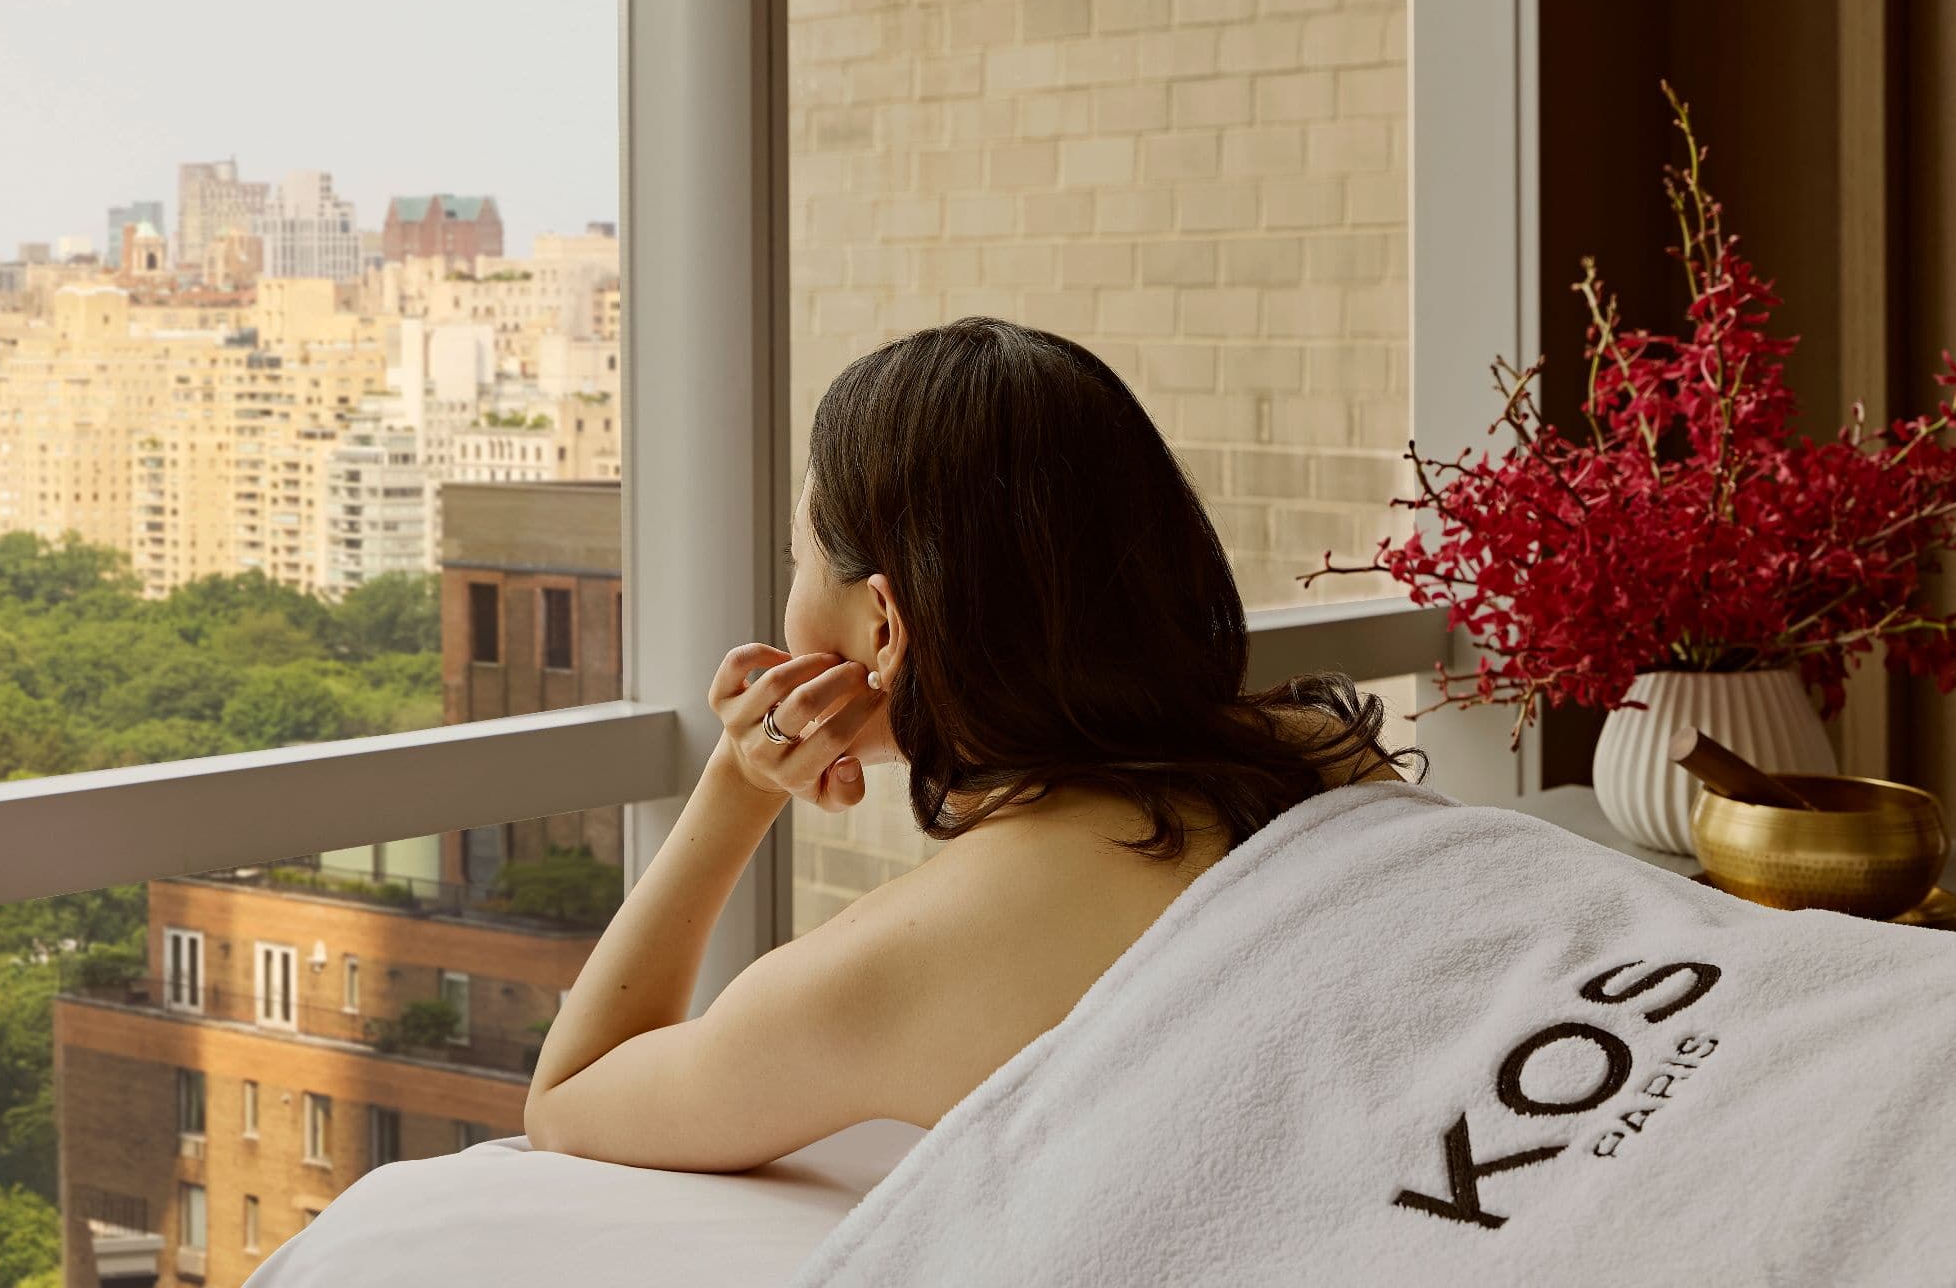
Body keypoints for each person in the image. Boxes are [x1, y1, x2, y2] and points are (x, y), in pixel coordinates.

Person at [522, 317, 1418, 1171]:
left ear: (883, 626)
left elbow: (567, 1098)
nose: (788, 596)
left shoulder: (896, 969)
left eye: (795, 560)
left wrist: (740, 780)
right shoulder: (1322, 747)